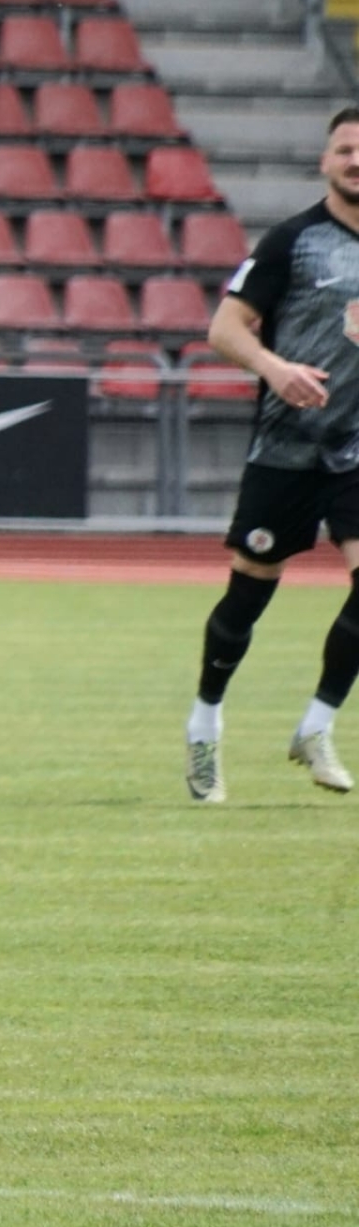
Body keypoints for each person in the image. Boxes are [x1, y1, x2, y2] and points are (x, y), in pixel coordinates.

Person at [186, 106, 359, 802]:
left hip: (356, 450)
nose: (356, 161)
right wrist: (274, 366)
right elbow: (223, 327)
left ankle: (317, 725)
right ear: (324, 161)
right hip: (287, 448)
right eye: (346, 149)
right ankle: (204, 725)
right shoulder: (293, 241)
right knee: (248, 597)